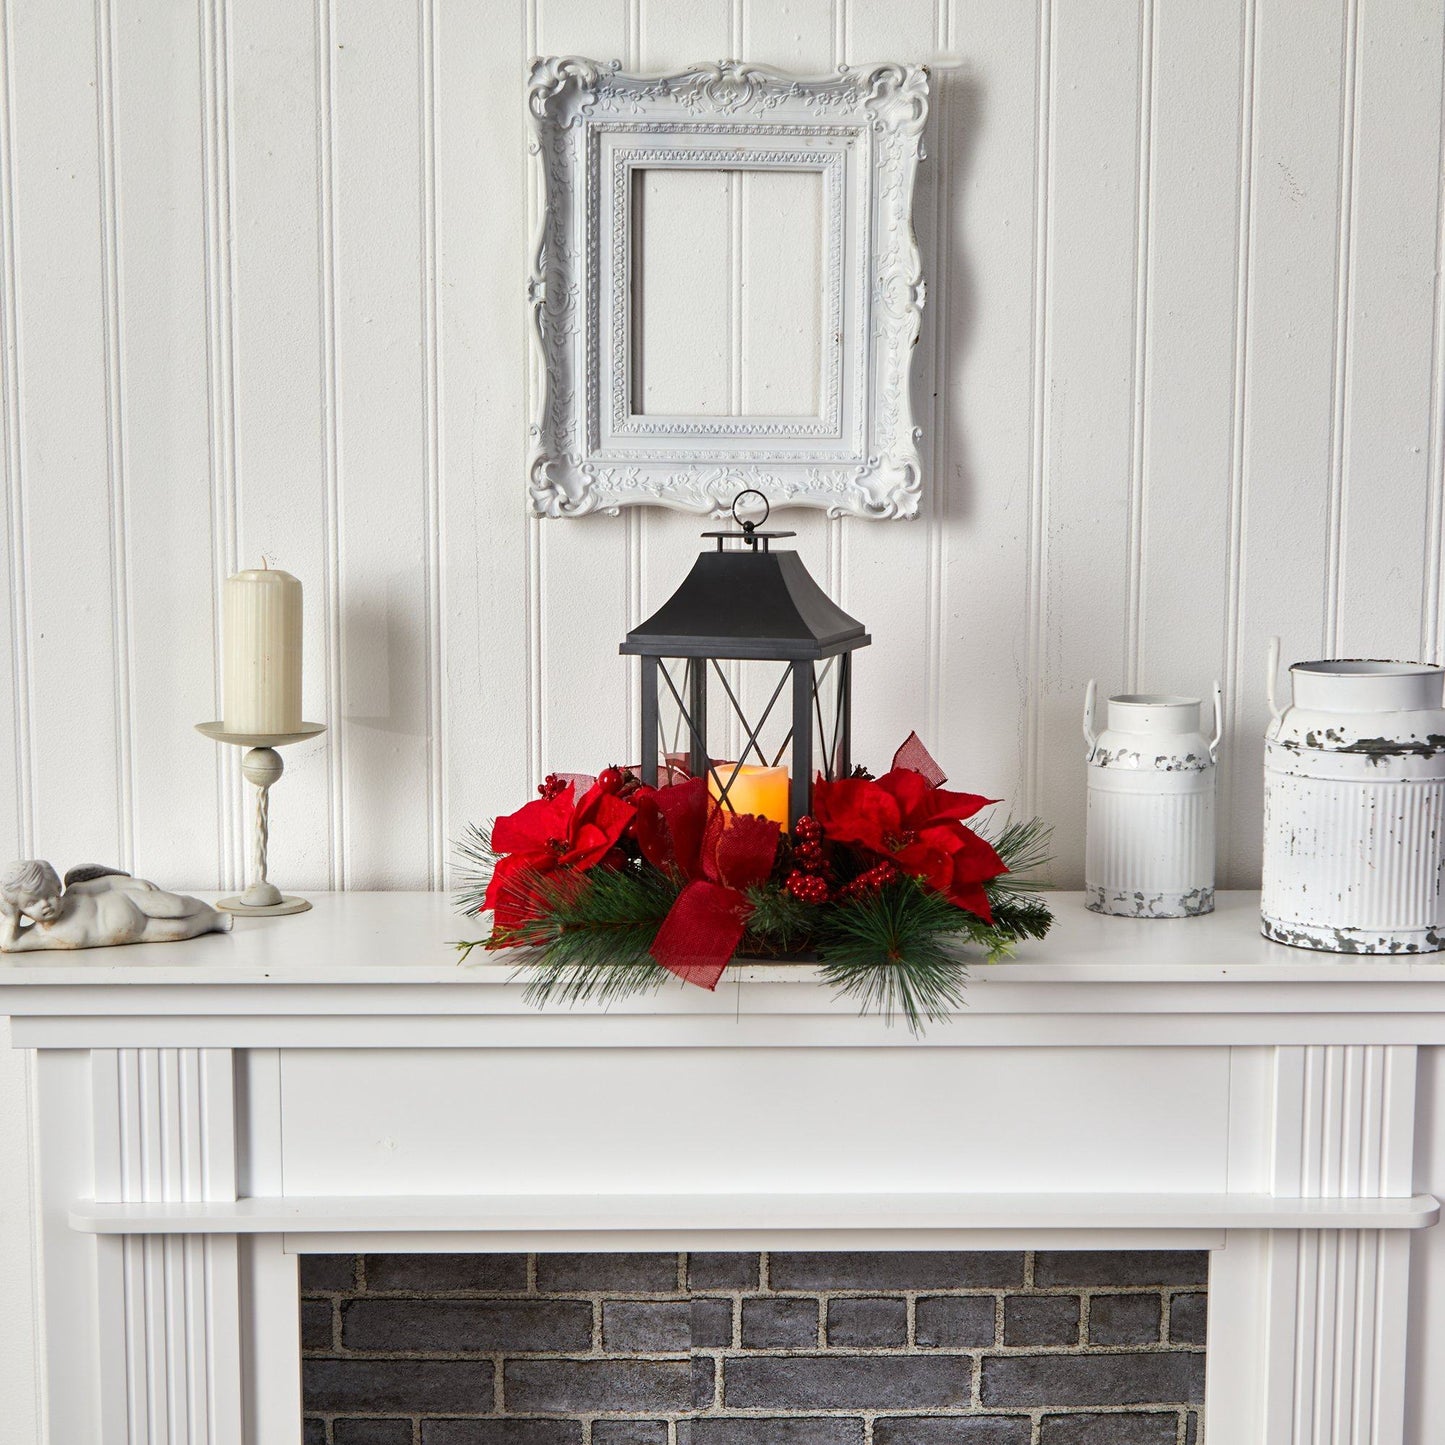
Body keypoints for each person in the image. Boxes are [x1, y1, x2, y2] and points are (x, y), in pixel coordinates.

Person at [0, 860, 232, 951]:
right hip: (138, 932)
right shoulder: (41, 936)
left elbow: (107, 883)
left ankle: (207, 910)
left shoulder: (76, 892)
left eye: (49, 895)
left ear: (57, 887)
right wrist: (10, 916)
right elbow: (8, 944)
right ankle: (213, 921)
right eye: (31, 903)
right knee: (179, 931)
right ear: (19, 909)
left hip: (129, 900)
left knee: (179, 907)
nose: (44, 905)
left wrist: (132, 883)